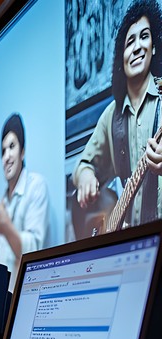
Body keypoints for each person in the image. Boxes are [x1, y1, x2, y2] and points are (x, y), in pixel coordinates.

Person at [74, 1, 162, 232]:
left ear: (154, 47)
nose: (137, 47)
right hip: (131, 251)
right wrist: (85, 177)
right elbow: (83, 165)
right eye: (129, 42)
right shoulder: (111, 116)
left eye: (144, 37)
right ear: (121, 57)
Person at [0, 113, 49, 291]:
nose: (6, 156)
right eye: (3, 150)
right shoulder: (2, 200)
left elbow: (33, 254)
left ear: (22, 151)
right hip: (0, 299)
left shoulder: (37, 186)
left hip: (25, 298)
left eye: (12, 147)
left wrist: (4, 227)